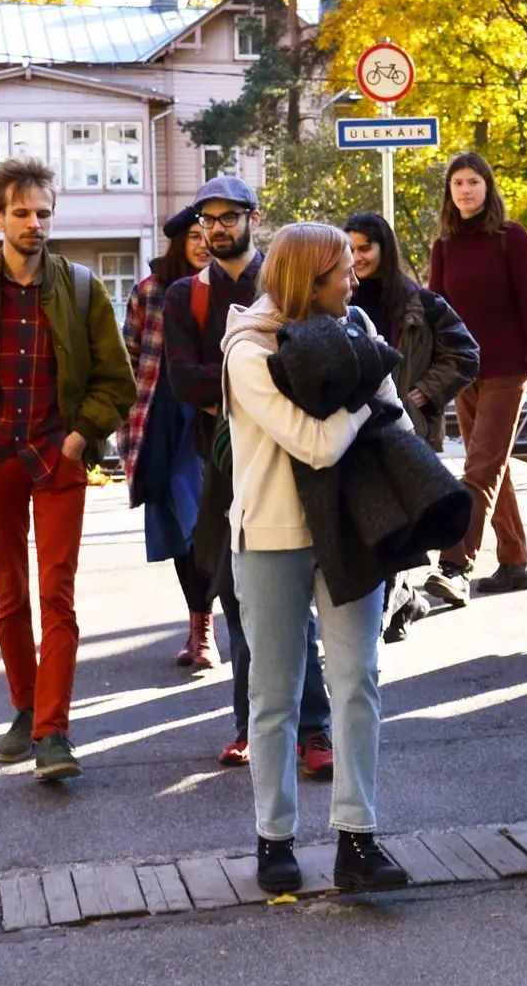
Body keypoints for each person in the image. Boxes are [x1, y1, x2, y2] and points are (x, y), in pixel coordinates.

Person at [0, 156, 136, 781]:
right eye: (21, 213)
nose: (34, 223)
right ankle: (25, 708)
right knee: (11, 593)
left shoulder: (82, 288)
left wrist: (78, 439)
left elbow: (115, 382)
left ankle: (53, 732)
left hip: (57, 458)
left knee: (57, 593)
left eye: (43, 213)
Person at [223, 222, 410, 894]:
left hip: (351, 530)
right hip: (271, 534)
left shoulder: (356, 325)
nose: (355, 279)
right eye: (342, 270)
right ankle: (274, 838)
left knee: (358, 679)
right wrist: (363, 401)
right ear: (310, 279)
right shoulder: (248, 349)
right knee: (274, 696)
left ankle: (357, 839)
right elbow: (315, 444)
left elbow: (398, 418)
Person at [162, 177, 334, 774]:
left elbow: (311, 358)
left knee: (298, 597)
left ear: (253, 219)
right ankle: (249, 724)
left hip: (296, 454)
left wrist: (245, 382)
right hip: (224, 465)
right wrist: (253, 381)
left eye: (228, 217)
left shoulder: (284, 282)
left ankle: (314, 730)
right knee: (239, 600)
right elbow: (183, 379)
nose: (216, 229)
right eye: (207, 220)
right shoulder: (186, 296)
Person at [344, 211, 480, 640]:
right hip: (351, 429)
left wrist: (422, 394)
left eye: (365, 248)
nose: (357, 257)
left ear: (384, 249)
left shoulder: (420, 303)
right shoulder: (337, 299)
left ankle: (388, 611)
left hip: (404, 430)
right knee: (371, 525)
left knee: (396, 524)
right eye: (350, 249)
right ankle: (401, 601)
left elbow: (465, 354)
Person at [425, 152, 527, 605]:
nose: (465, 190)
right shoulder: (443, 246)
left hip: (507, 367)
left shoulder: (510, 236)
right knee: (493, 466)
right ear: (450, 192)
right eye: (458, 183)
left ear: (487, 187)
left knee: (479, 468)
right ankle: (514, 561)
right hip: (463, 372)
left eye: (473, 182)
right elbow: (435, 310)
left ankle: (455, 563)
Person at [118, 206, 218, 669]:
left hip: (210, 415)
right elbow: (128, 356)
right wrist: (127, 421)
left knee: (206, 522)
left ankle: (213, 627)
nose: (203, 244)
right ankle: (200, 627)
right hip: (162, 417)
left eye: (208, 234)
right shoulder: (149, 291)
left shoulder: (226, 286)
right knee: (179, 528)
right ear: (179, 243)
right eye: (194, 236)